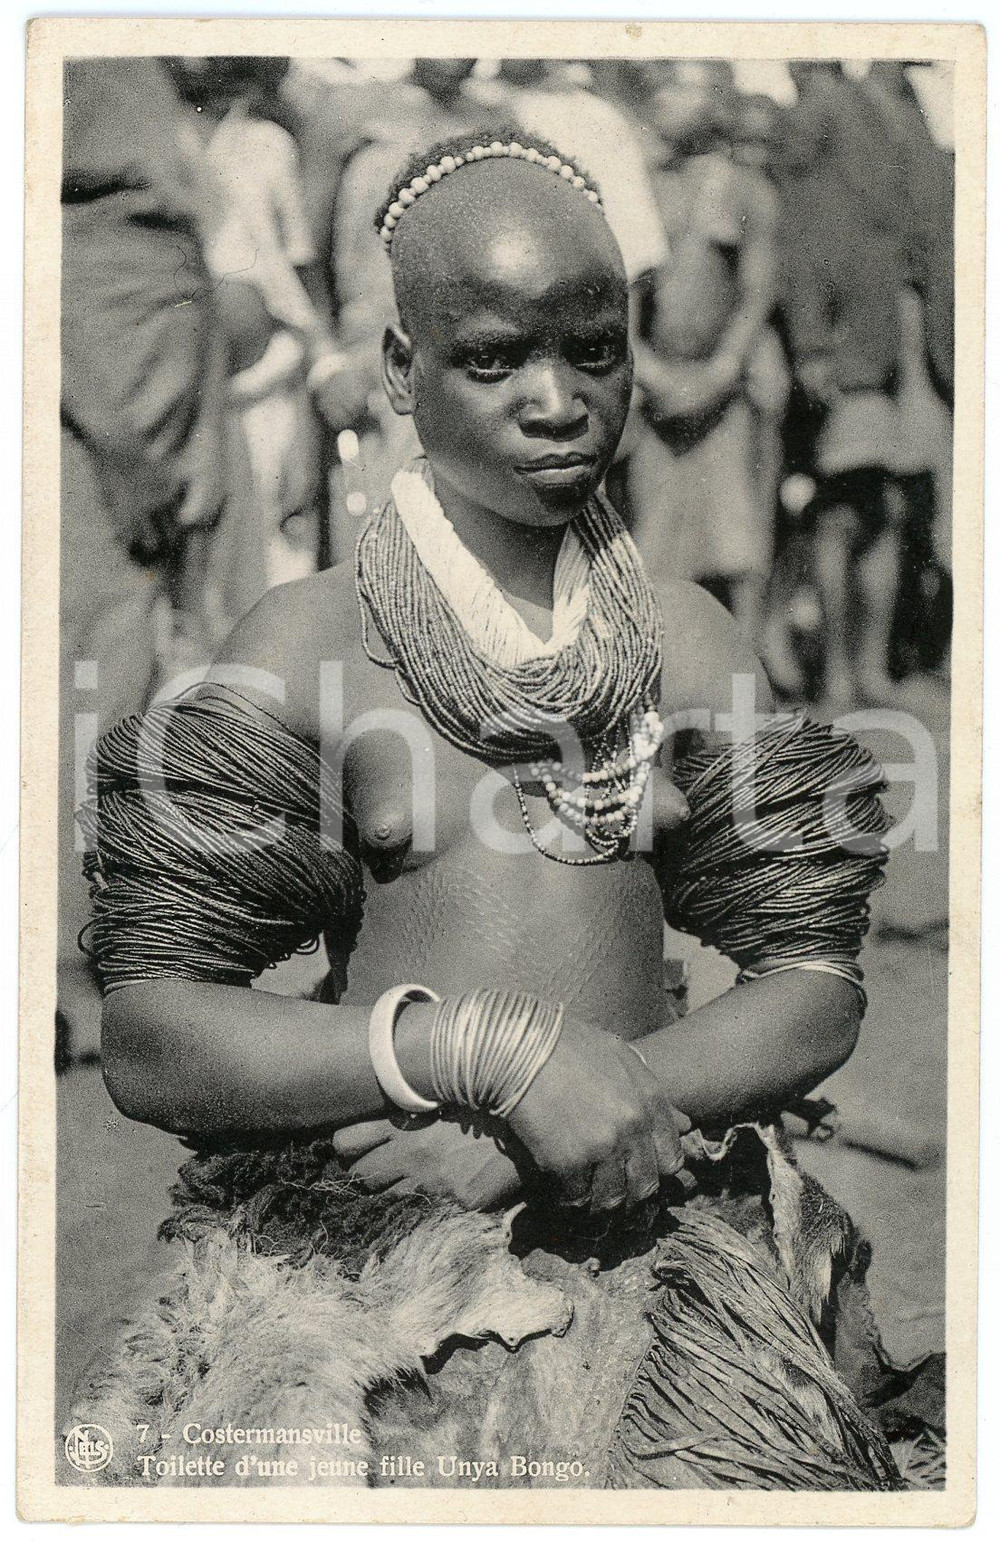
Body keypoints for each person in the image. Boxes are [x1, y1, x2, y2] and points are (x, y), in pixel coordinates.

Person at [72, 130, 919, 1489]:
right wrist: (481, 1057)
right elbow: (155, 1032)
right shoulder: (309, 642)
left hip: (651, 1216)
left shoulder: (688, 642)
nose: (557, 400)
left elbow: (815, 989)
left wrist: (595, 1102)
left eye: (595, 350)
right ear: (400, 370)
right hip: (376, 1235)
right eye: (493, 359)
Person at [57, 57, 236, 1063]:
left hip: (167, 333)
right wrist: (117, 445)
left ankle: (127, 944)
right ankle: (61, 965)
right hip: (95, 363)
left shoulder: (150, 74)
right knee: (87, 679)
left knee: (142, 680)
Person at [627, 70, 787, 652]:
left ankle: (743, 680)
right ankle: (662, 681)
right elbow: (623, 296)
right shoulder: (640, 185)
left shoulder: (745, 189)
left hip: (727, 390)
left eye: (681, 87)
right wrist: (649, 369)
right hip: (659, 391)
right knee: (657, 551)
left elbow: (757, 294)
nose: (663, 99)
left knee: (739, 547)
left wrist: (722, 371)